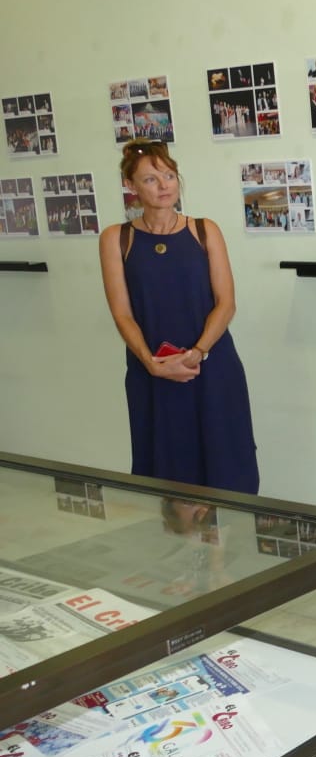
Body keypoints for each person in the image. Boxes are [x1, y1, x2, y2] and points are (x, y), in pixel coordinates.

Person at [98, 140, 259, 494]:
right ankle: (174, 532)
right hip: (152, 371)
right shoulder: (116, 239)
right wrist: (151, 363)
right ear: (130, 185)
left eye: (169, 176)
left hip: (211, 367)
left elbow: (226, 303)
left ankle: (229, 533)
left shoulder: (204, 230)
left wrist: (197, 352)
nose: (164, 186)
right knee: (167, 470)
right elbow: (122, 314)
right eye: (151, 179)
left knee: (226, 465)